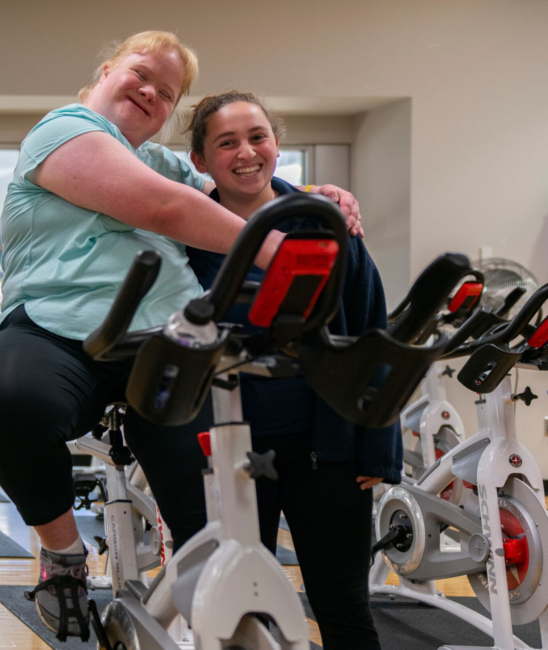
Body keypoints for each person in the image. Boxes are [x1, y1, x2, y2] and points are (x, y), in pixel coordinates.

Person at [0, 32, 362, 641]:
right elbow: (166, 210)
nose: (151, 92)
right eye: (140, 74)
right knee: (4, 399)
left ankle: (205, 603)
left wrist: (314, 197)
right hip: (55, 331)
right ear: (104, 72)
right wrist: (279, 246)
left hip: (166, 340)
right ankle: (65, 559)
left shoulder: (168, 163)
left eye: (168, 92)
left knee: (213, 523)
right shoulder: (62, 130)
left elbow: (239, 193)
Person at [135, 92, 402, 650]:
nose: (247, 152)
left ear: (276, 144)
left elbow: (372, 333)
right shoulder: (180, 236)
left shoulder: (325, 224)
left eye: (258, 137)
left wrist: (378, 447)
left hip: (326, 450)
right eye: (226, 142)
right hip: (222, 458)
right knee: (233, 613)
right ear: (201, 161)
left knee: (344, 605)